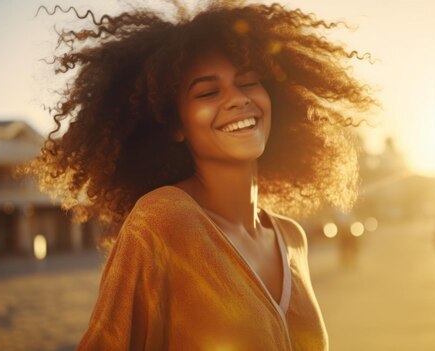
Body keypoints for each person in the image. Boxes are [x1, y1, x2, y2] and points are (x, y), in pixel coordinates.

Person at [29, 1, 375, 350]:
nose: (237, 99)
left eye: (249, 82)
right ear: (177, 124)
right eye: (208, 92)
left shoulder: (291, 238)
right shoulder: (161, 222)